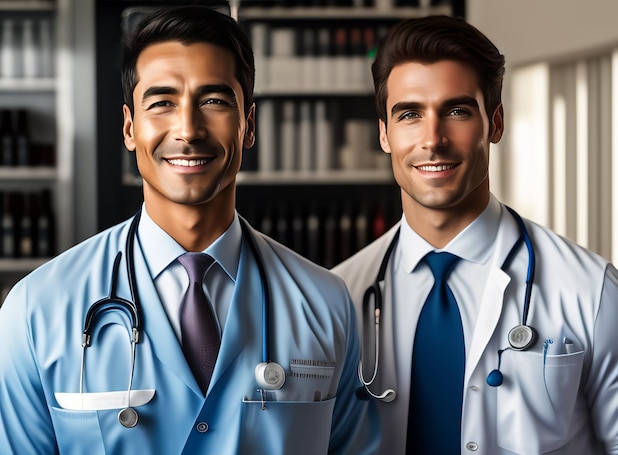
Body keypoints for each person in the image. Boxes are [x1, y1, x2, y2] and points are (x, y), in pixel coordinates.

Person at [0, 6, 378, 454]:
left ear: (249, 125)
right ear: (129, 127)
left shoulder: (326, 304)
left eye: (214, 101)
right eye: (161, 103)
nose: (188, 130)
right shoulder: (37, 308)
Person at [333, 15, 618, 454]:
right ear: (384, 134)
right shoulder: (338, 297)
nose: (433, 140)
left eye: (456, 111)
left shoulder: (592, 292)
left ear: (496, 123)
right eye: (410, 114)